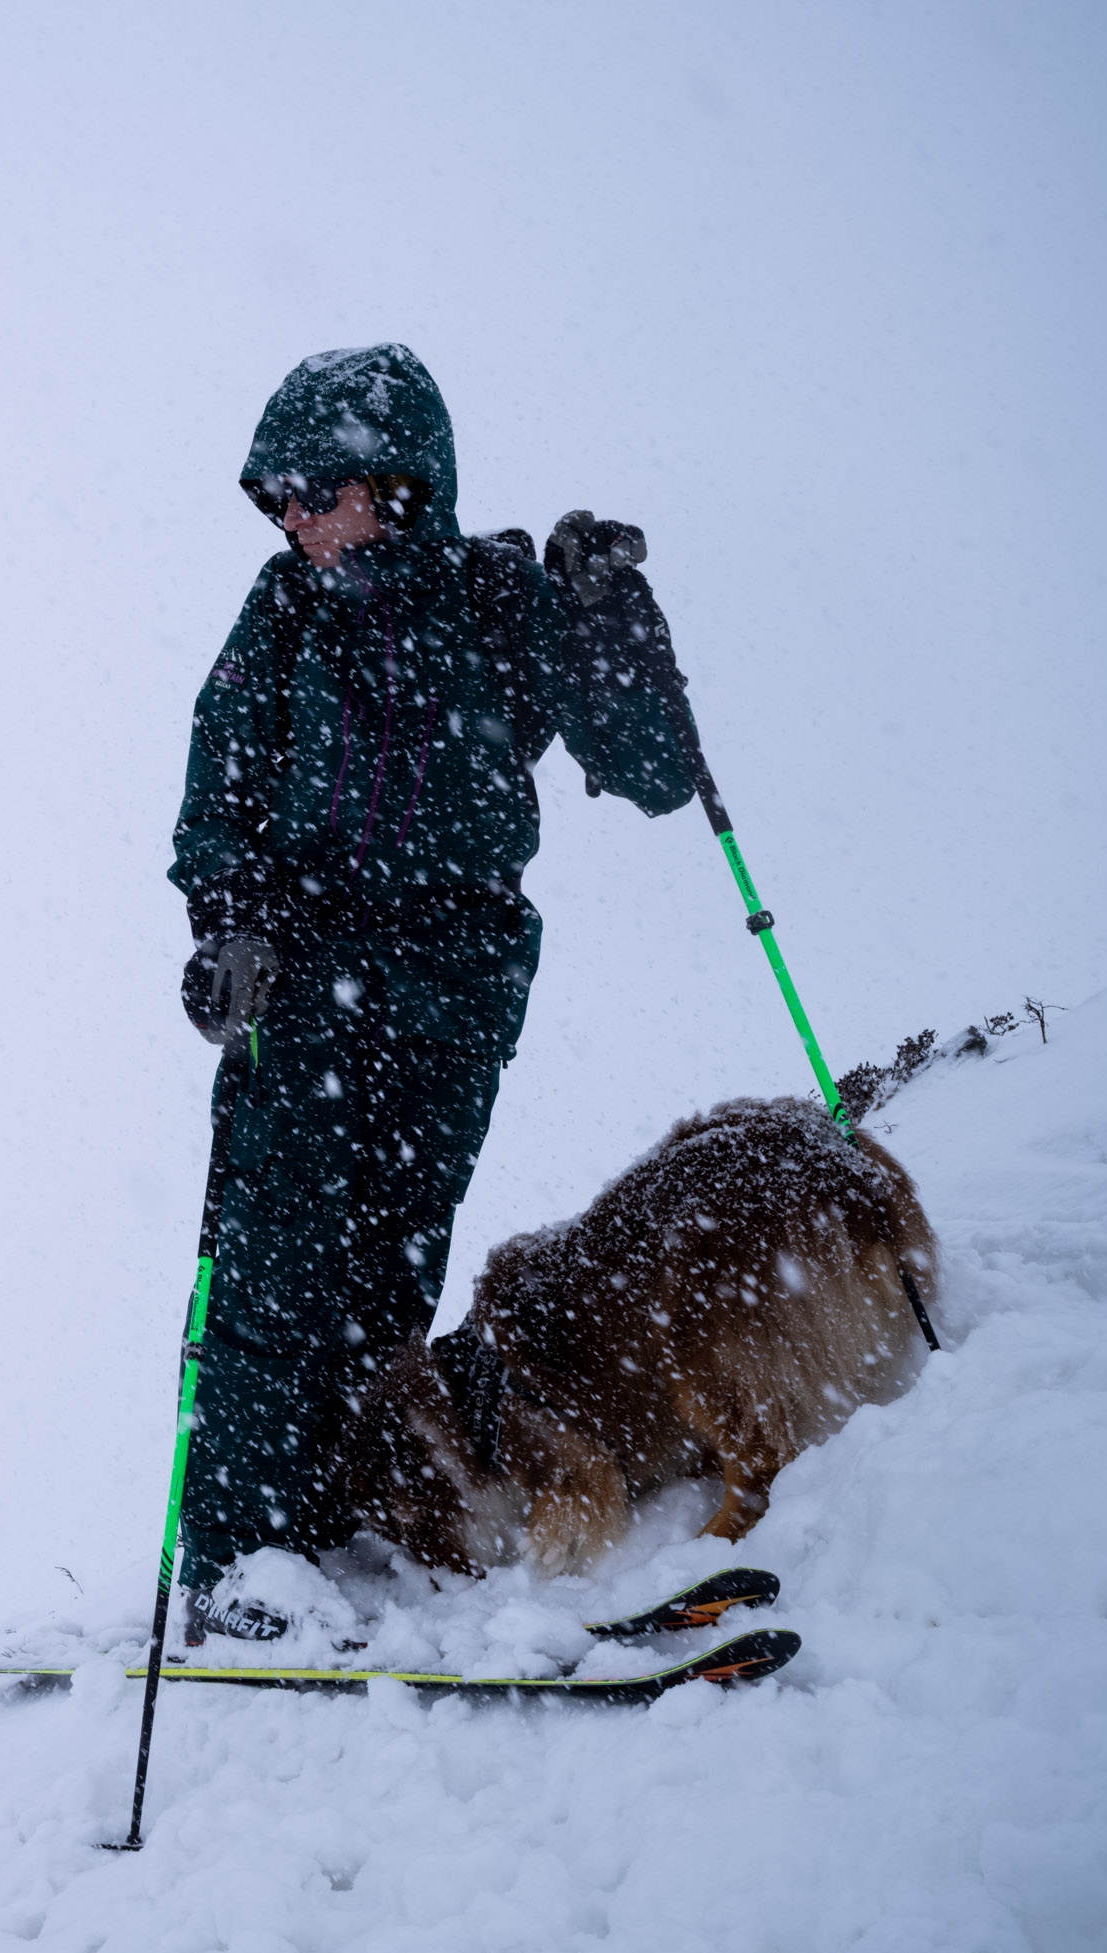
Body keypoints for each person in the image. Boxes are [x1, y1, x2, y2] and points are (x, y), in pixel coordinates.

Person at [166, 343, 700, 1643]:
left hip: (457, 975)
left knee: (388, 1272)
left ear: (394, 483)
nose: (289, 520)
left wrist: (614, 623)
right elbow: (222, 785)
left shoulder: (502, 599)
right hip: (307, 971)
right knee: (274, 1265)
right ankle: (238, 1560)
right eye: (274, 501)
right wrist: (229, 921)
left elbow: (653, 769)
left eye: (308, 491)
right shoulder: (282, 613)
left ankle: (343, 1514)